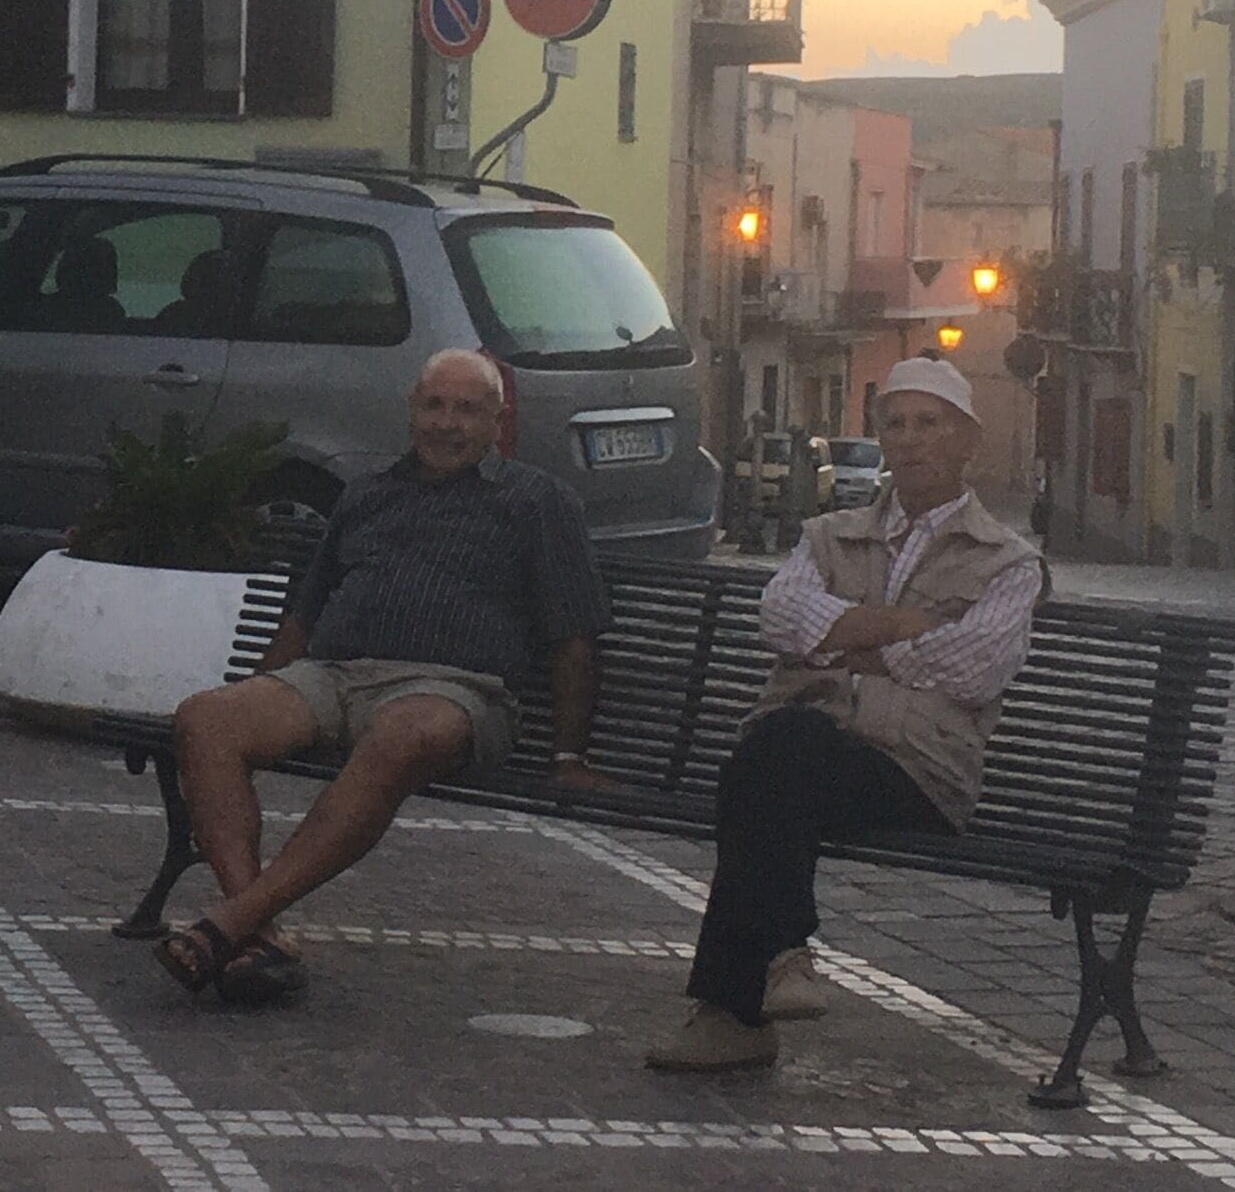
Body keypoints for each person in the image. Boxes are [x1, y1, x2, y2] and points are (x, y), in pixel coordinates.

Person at [155, 348, 612, 1005]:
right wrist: (254, 691)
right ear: (411, 411)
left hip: (453, 690)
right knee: (206, 717)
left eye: (467, 410)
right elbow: (306, 615)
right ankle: (256, 935)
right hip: (336, 675)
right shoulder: (367, 495)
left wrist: (570, 755)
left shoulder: (537, 501)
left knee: (405, 732)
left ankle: (229, 923)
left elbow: (574, 633)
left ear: (496, 422)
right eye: (435, 405)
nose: (448, 424)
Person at [646, 356, 1044, 1073]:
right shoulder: (829, 534)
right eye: (896, 423)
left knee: (765, 760)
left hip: (917, 769)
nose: (912, 439)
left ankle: (739, 1004)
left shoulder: (1006, 561)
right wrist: (907, 627)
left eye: (931, 424)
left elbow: (977, 666)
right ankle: (781, 958)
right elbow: (781, 618)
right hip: (806, 753)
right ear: (880, 437)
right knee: (784, 749)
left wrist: (847, 640)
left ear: (966, 442)